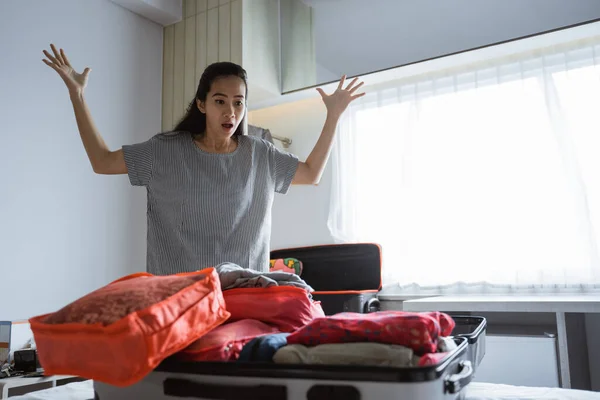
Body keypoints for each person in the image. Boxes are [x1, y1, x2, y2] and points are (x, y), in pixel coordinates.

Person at [42, 44, 365, 276]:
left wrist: (333, 116)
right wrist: (78, 96)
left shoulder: (260, 153)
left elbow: (311, 174)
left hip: (241, 293)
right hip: (177, 294)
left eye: (238, 103)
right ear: (201, 104)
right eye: (220, 101)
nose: (231, 112)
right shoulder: (165, 150)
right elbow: (102, 161)